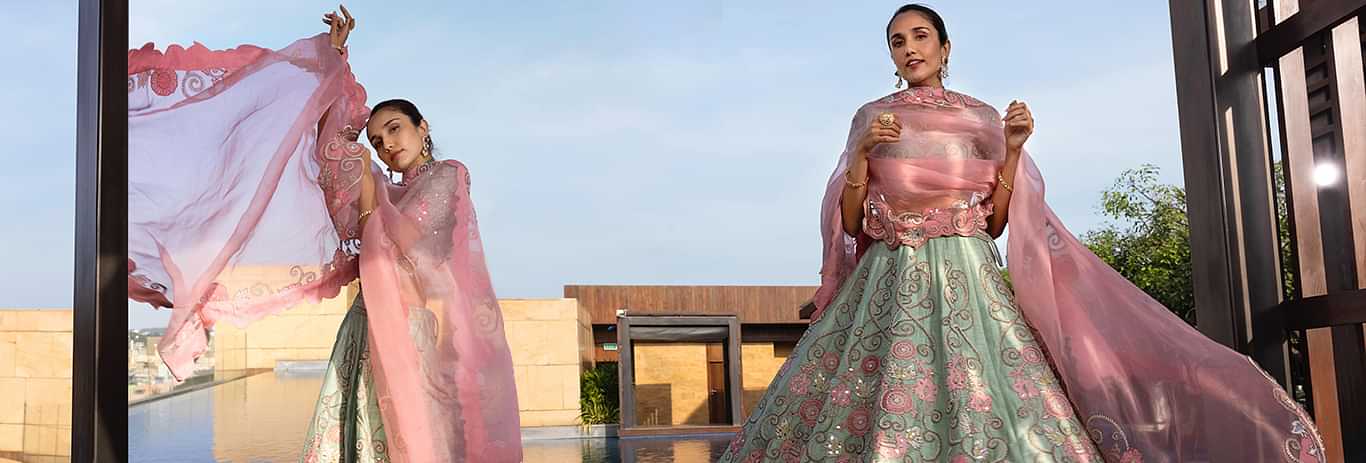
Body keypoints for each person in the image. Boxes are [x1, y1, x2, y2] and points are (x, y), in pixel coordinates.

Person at [719, 4, 1325, 462]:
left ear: (945, 47)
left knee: (990, 397)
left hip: (968, 280)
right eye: (897, 41)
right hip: (887, 283)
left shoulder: (980, 118)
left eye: (920, 36)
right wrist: (860, 155)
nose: (909, 49)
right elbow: (853, 225)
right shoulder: (874, 118)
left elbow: (996, 222)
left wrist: (1011, 149)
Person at [127, 6, 521, 462]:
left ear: (422, 127)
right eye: (377, 141)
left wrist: (368, 187)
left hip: (411, 332)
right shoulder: (386, 189)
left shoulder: (449, 175)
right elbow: (335, 151)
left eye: (394, 130)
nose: (387, 145)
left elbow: (401, 238)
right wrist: (333, 59)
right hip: (366, 324)